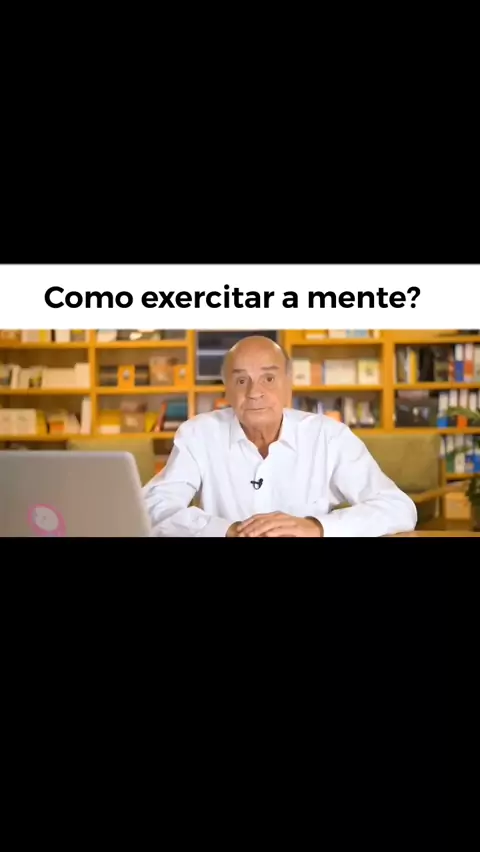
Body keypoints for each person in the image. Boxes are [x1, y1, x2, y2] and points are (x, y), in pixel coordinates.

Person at [143, 336, 417, 537]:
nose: (254, 392)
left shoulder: (329, 435)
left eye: (269, 379)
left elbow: (398, 508)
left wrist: (316, 527)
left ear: (288, 383)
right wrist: (227, 531)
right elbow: (152, 507)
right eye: (241, 381)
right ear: (226, 389)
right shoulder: (198, 434)